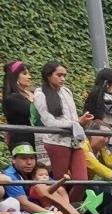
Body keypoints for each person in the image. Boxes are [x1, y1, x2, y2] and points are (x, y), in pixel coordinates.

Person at [33, 61, 91, 202]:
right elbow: (48, 122)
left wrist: (80, 121)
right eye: (59, 75)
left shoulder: (66, 91)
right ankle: (65, 212)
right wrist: (74, 124)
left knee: (82, 181)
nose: (63, 79)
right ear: (48, 75)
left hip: (75, 141)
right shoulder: (40, 94)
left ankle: (71, 209)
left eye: (64, 75)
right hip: (56, 142)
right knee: (61, 182)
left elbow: (72, 117)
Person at [3, 60, 35, 149]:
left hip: (37, 139)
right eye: (25, 74)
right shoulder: (12, 98)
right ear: (15, 77)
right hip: (22, 143)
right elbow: (34, 112)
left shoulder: (33, 93)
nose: (30, 77)